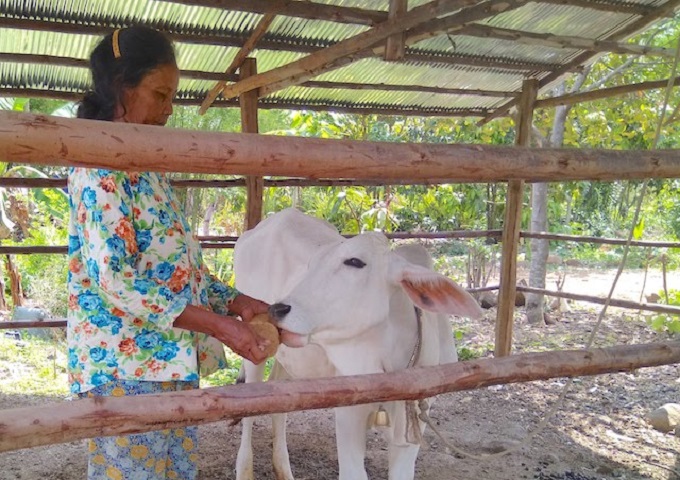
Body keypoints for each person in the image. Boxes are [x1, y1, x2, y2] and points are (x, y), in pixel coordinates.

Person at [67, 26, 270, 480]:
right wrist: (217, 325)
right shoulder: (98, 166)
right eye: (160, 94)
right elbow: (116, 280)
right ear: (121, 86)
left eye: (172, 96)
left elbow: (179, 270)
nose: (168, 108)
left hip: (170, 362)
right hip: (124, 370)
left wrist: (235, 302)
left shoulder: (148, 167)